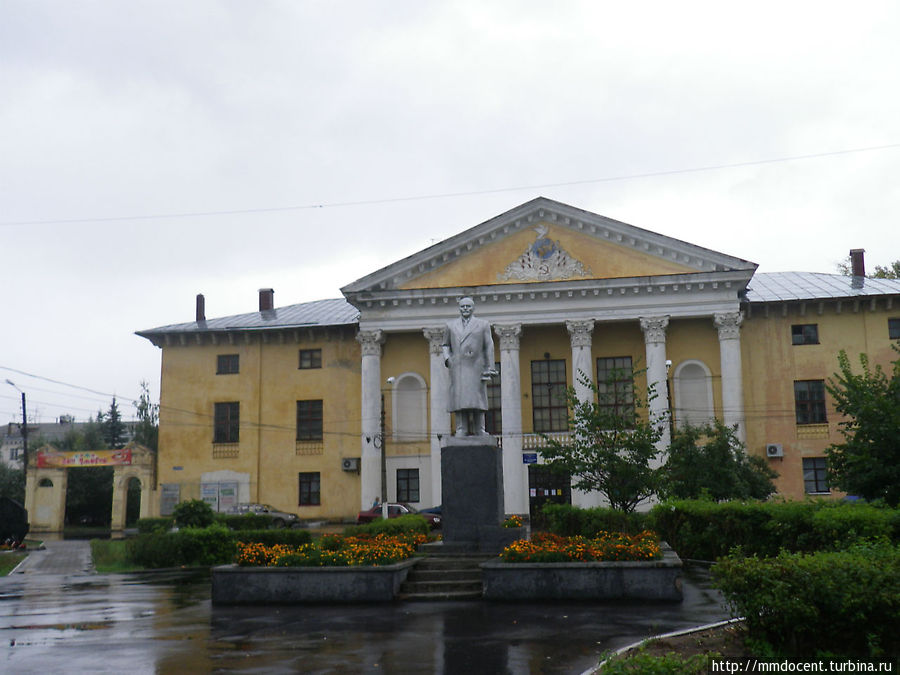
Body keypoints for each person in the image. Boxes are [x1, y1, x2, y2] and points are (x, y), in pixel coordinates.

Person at [442, 297, 497, 436]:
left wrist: (490, 366)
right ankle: (461, 428)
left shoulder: (483, 324)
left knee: (477, 399)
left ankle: (480, 429)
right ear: (459, 308)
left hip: (476, 366)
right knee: (460, 399)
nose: (465, 309)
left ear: (473, 308)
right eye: (463, 306)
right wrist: (448, 359)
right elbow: (445, 345)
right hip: (458, 367)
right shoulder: (450, 325)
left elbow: (489, 345)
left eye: (468, 306)